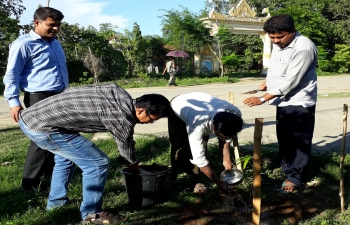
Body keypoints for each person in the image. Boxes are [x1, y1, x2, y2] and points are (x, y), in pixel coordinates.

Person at [18, 83, 171, 224]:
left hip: (32, 117)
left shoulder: (119, 92)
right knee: (97, 163)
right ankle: (92, 213)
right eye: (150, 120)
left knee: (66, 159)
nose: (148, 123)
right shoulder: (121, 119)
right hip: (42, 128)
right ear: (141, 110)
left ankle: (56, 203)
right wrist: (135, 169)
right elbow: (126, 151)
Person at [243, 14, 317, 193]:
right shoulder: (280, 44)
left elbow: (290, 81)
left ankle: (296, 178)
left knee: (298, 140)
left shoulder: (303, 48)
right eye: (272, 37)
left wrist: (262, 99)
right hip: (282, 101)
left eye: (280, 36)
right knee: (284, 137)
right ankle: (286, 168)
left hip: (299, 102)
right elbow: (278, 68)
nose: (276, 41)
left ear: (292, 31)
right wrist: (266, 83)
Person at [3, 7, 69, 191]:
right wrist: (13, 102)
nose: (55, 29)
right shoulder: (23, 44)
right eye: (51, 25)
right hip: (39, 97)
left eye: (58, 25)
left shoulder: (55, 42)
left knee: (58, 136)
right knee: (41, 139)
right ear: (36, 23)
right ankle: (29, 184)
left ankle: (48, 176)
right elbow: (12, 75)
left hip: (59, 96)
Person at [167, 92, 243, 193]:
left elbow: (226, 138)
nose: (223, 137)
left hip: (200, 104)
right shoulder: (198, 123)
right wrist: (218, 182)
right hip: (178, 107)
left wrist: (226, 159)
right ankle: (172, 175)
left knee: (202, 145)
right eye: (220, 135)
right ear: (214, 127)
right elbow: (200, 160)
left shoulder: (235, 114)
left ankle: (195, 180)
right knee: (179, 145)